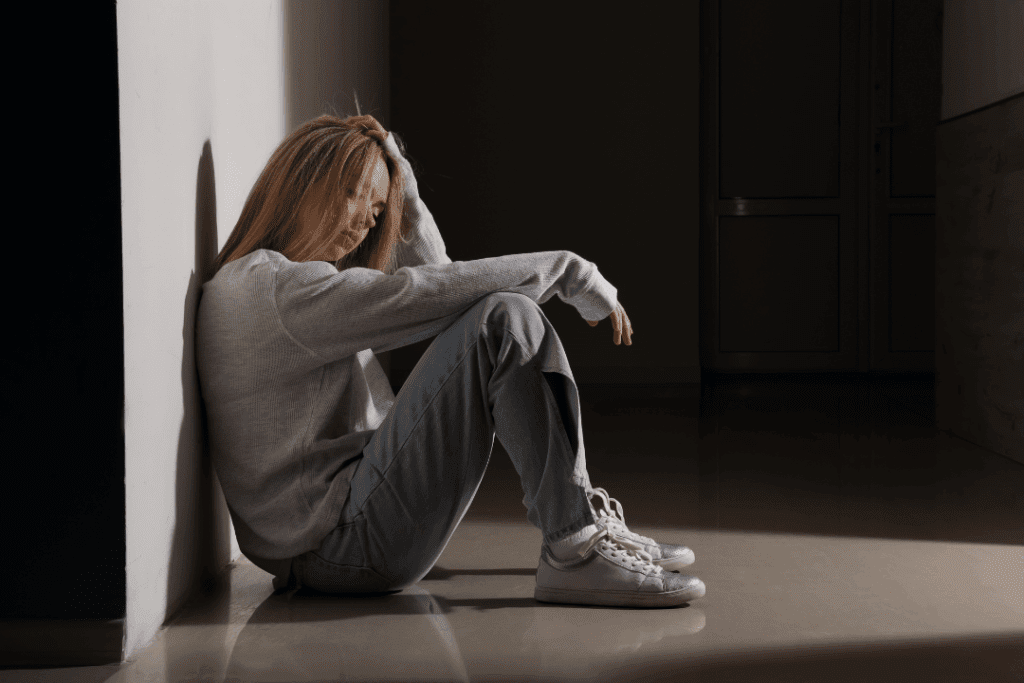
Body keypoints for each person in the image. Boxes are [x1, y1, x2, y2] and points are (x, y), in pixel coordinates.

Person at [196, 114, 706, 608]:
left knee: (496, 314)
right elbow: (437, 292)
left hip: (323, 545)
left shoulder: (256, 285)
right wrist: (569, 271)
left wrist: (408, 206)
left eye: (376, 213)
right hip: (342, 546)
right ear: (301, 181)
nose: (362, 225)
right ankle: (574, 546)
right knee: (505, 317)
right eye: (353, 194)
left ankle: (578, 523)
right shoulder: (276, 288)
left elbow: (448, 291)